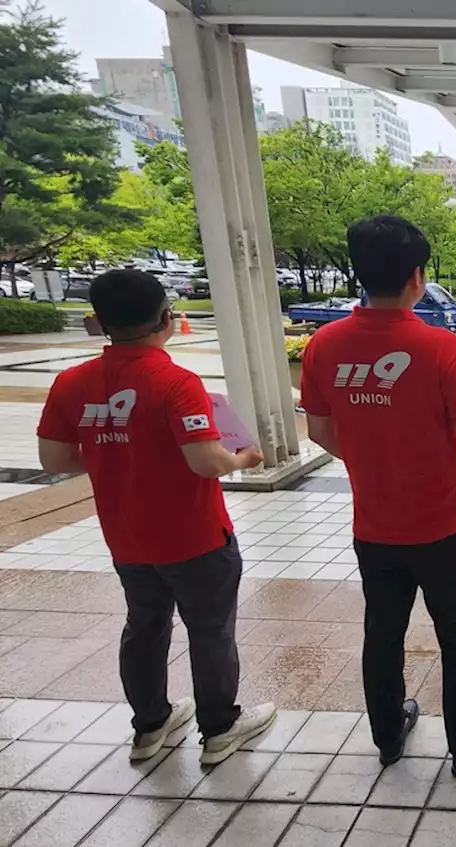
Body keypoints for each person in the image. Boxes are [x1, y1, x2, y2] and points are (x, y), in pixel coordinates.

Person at [36, 268, 274, 766]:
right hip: (195, 537)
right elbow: (206, 461)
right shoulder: (176, 382)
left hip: (126, 539)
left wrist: (113, 455)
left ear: (97, 322)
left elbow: (55, 460)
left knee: (144, 627)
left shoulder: (71, 382)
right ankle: (220, 729)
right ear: (166, 319)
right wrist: (243, 460)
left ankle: (150, 726)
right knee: (209, 630)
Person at [301, 216, 456, 775]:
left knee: (382, 632)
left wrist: (373, 460)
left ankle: (388, 734)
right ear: (418, 277)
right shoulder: (442, 348)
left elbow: (319, 431)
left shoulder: (324, 345)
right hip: (445, 524)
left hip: (374, 526)